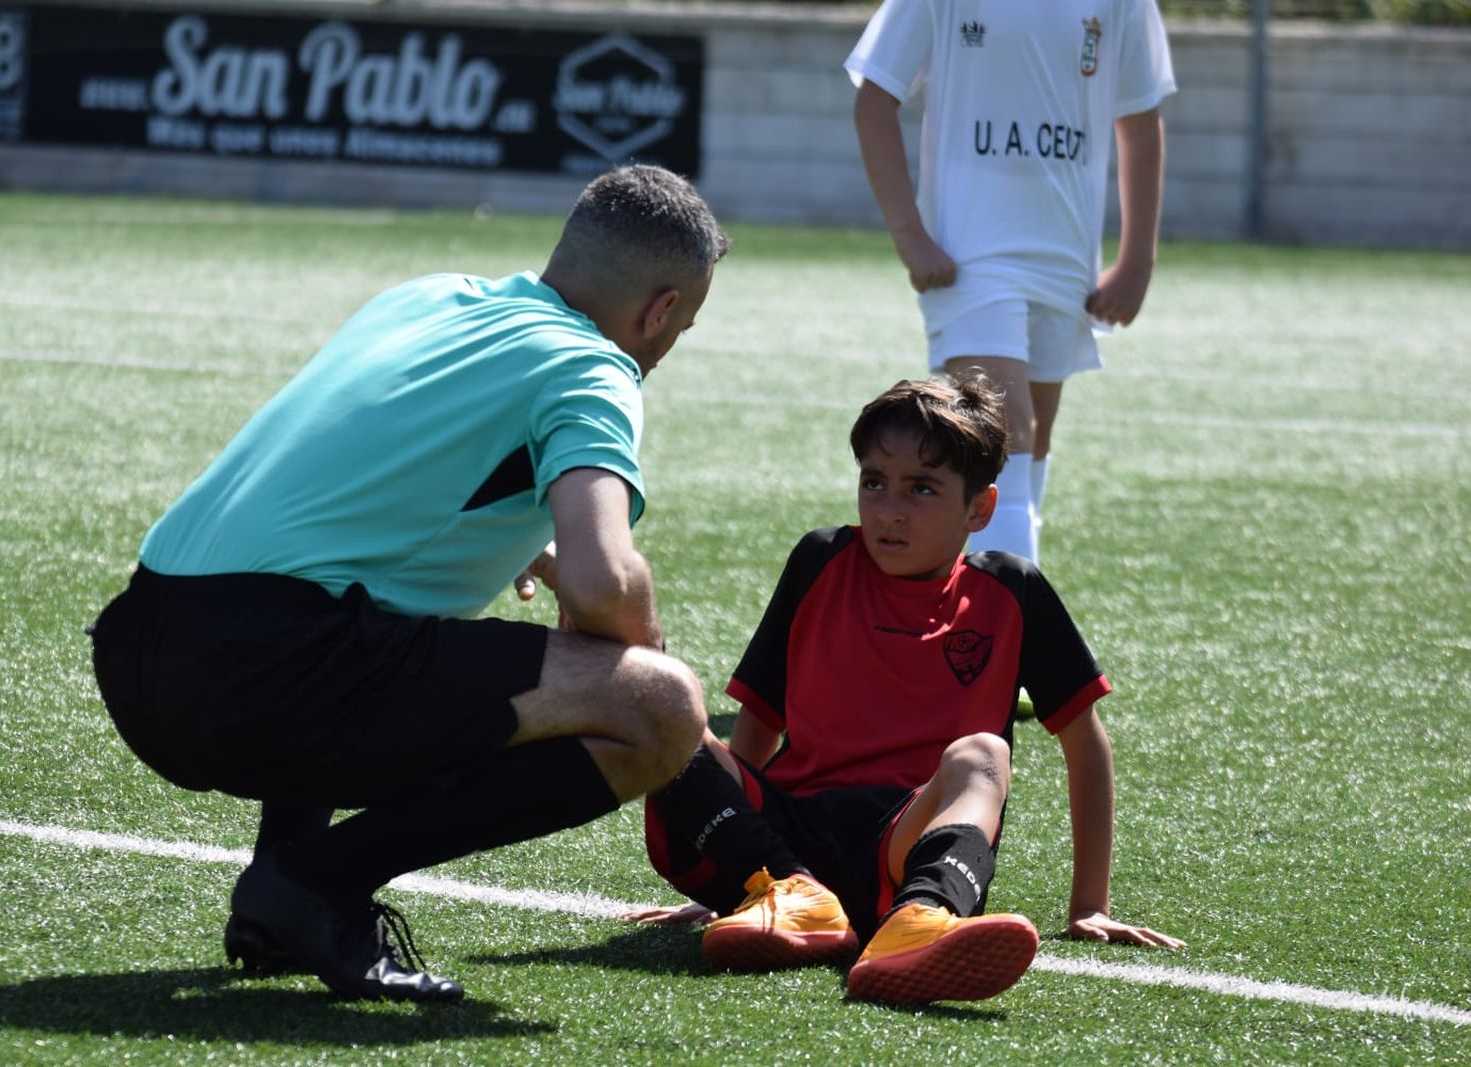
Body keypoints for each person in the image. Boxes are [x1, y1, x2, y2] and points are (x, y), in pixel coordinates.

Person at [89, 164, 727, 1002]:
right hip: (252, 676)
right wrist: (649, 673)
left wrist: (513, 546)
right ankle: (315, 884)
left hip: (140, 650)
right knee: (661, 708)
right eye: (685, 324)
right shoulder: (594, 364)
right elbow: (603, 578)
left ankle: (277, 885)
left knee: (360, 615)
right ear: (663, 309)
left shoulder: (427, 297)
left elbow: (350, 500)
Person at [626, 376, 1184, 1005]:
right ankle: (780, 893)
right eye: (874, 482)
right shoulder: (820, 560)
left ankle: (920, 921)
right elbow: (758, 721)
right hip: (785, 841)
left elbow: (1086, 745)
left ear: (980, 508)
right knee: (665, 707)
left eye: (921, 489)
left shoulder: (1013, 592)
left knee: (983, 754)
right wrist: (727, 872)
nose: (890, 509)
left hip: (904, 843)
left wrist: (1090, 905)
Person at [848, 0, 1176, 562]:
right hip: (970, 260)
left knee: (1031, 443)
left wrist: (1136, 262)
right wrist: (911, 235)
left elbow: (1140, 122)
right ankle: (1014, 628)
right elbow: (875, 97)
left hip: (1065, 260)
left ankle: (985, 614)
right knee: (1007, 430)